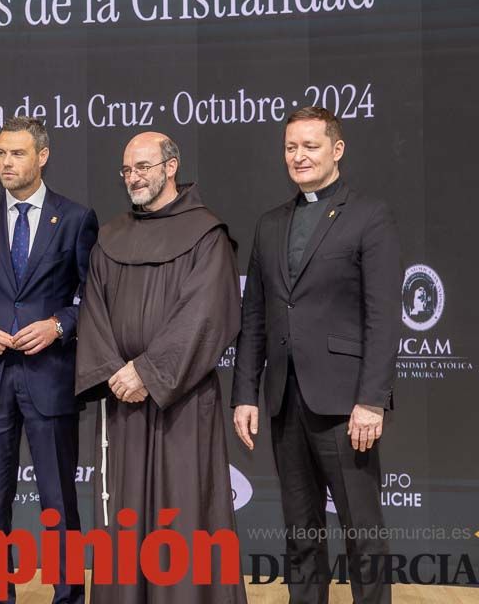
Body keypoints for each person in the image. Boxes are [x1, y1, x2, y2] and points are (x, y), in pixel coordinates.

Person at [231, 107, 399, 604]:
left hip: (346, 407)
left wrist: (371, 400)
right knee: (300, 533)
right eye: (290, 147)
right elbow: (255, 318)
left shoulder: (369, 215)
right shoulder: (269, 224)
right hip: (285, 403)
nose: (298, 156)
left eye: (310, 146)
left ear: (337, 150)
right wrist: (245, 394)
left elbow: (383, 318)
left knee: (362, 533)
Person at [74, 133, 245, 604]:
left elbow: (207, 314)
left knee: (183, 513)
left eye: (144, 167)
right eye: (128, 170)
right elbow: (93, 310)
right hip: (122, 403)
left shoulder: (206, 234)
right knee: (124, 520)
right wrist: (115, 371)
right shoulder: (110, 237)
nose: (134, 178)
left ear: (171, 168)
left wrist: (148, 373)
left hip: (182, 402)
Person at [0, 117, 98, 604]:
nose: (6, 163)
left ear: (42, 156)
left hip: (51, 375)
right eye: (0, 153)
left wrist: (59, 325)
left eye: (16, 154)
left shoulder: (76, 218)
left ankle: (68, 597)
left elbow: (93, 298)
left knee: (58, 502)